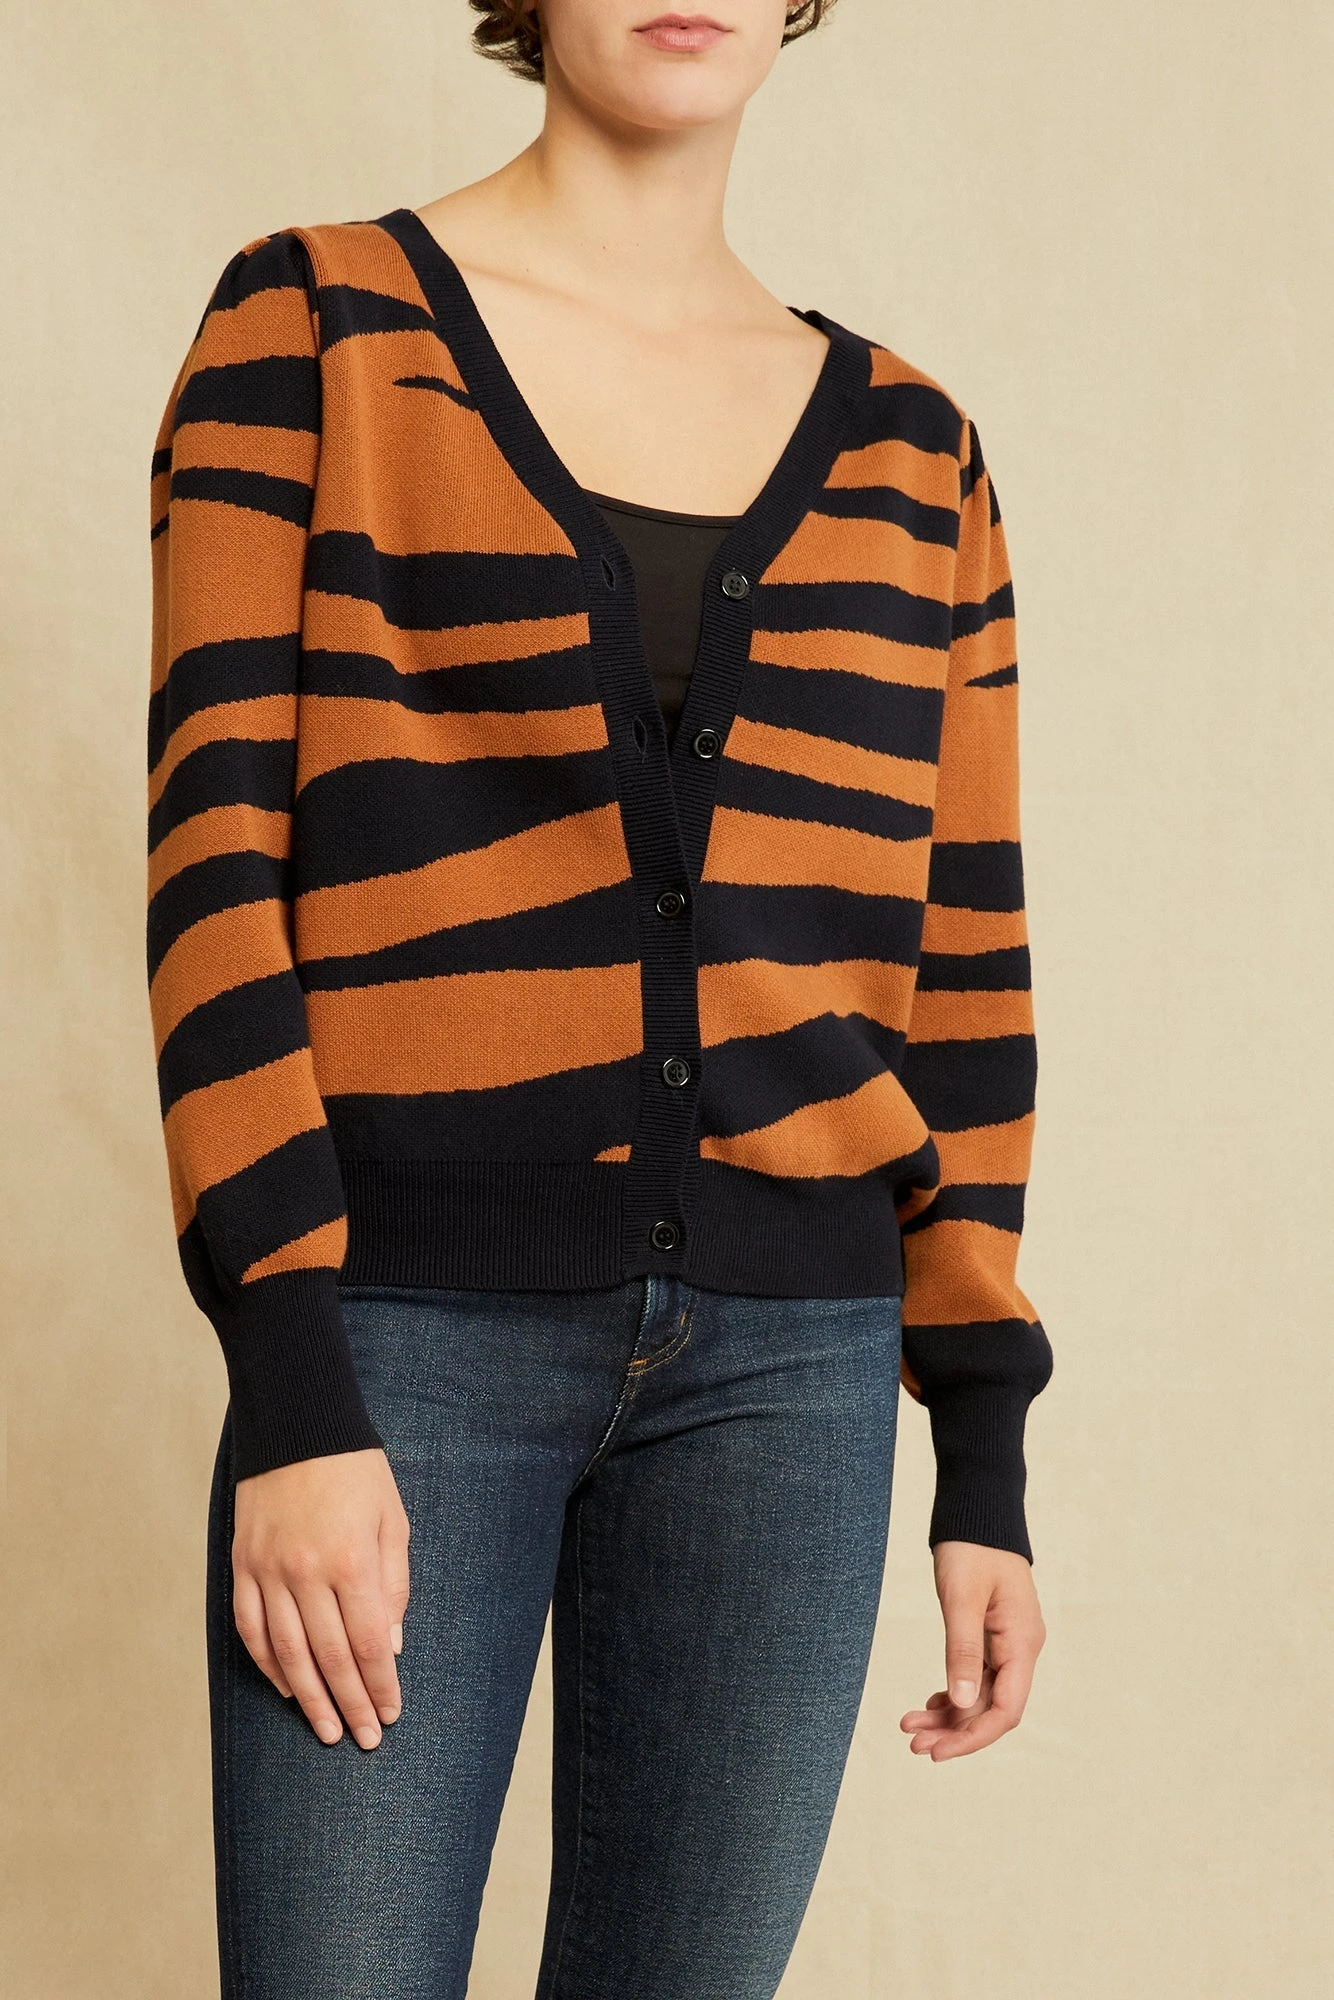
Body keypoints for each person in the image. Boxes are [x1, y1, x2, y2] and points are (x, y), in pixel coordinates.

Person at [145, 2, 1053, 1993]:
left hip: (794, 1375)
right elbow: (217, 864)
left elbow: (962, 955)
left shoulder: (914, 455)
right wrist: (293, 1383)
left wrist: (980, 1452)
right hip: (398, 1347)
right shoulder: (317, 329)